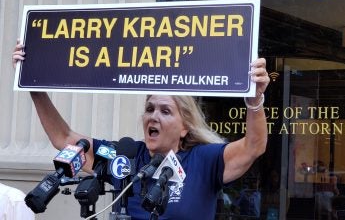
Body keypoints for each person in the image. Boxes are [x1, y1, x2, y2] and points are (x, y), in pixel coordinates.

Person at [12, 40, 269, 219]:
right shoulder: (127, 158)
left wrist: (254, 100)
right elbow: (64, 138)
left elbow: (253, 146)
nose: (153, 116)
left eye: (165, 111)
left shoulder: (204, 160)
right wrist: (34, 86)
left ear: (184, 127)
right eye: (149, 108)